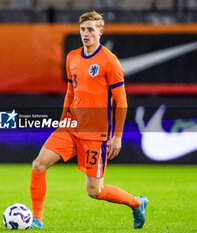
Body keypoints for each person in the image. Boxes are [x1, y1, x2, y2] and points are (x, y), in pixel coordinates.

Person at [29, 10, 148, 229]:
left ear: (100, 32)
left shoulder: (109, 61)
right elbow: (70, 91)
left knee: (95, 191)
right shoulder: (72, 57)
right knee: (39, 164)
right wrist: (64, 118)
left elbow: (121, 100)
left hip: (96, 133)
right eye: (83, 29)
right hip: (71, 126)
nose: (86, 34)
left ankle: (136, 203)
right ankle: (37, 219)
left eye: (91, 30)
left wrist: (117, 136)